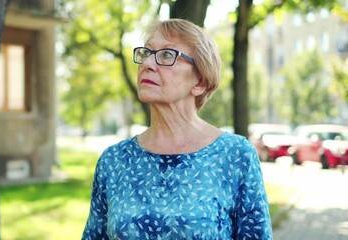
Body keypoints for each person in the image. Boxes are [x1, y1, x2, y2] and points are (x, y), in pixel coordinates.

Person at [82, 18, 273, 239]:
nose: (147, 64)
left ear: (200, 81)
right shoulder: (113, 160)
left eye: (166, 55)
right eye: (146, 53)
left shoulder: (235, 155)